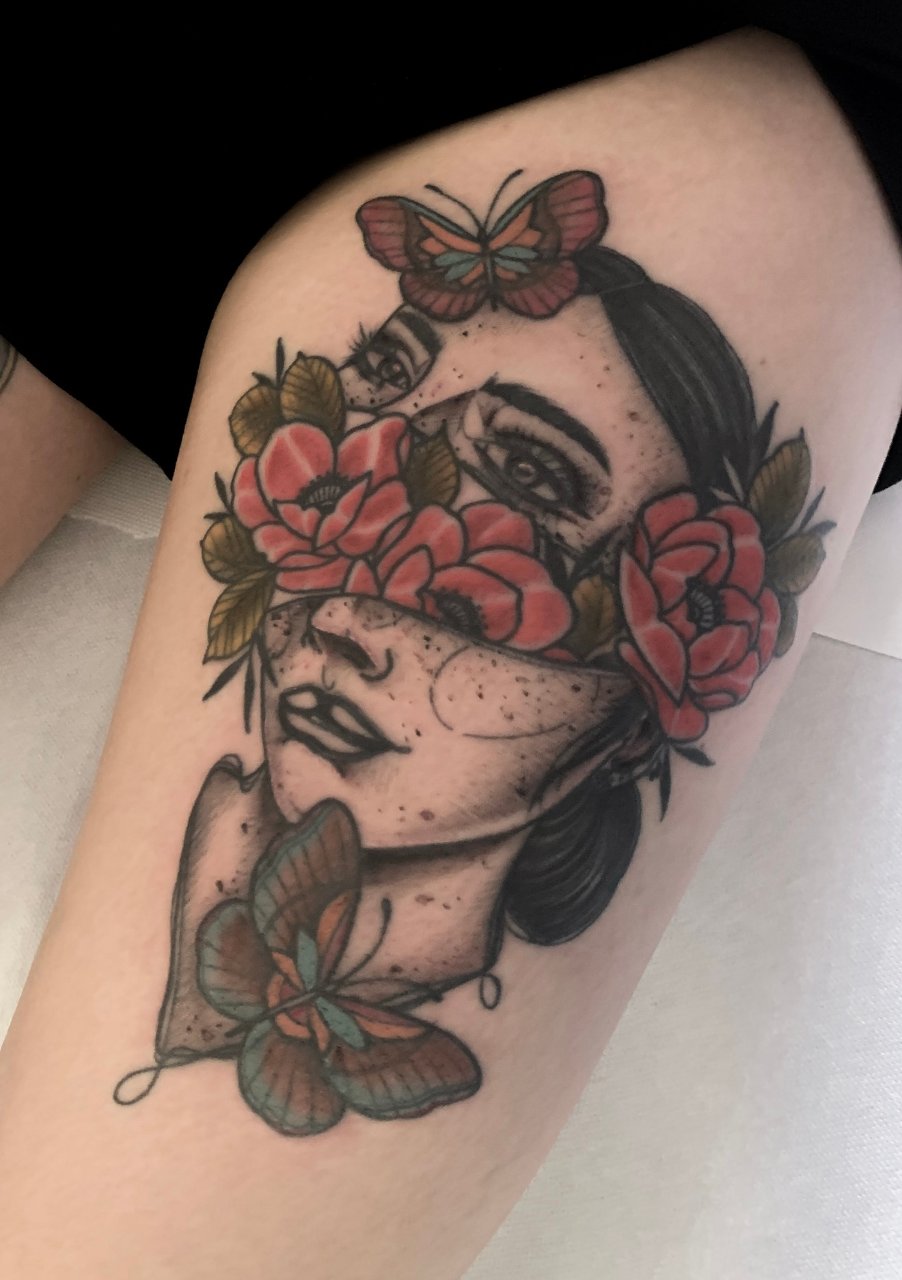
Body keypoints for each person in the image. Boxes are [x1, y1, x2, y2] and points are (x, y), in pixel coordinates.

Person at [0, 24, 901, 1280]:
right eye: (372, 397)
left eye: (524, 475)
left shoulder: (743, 185)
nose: (347, 589)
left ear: (652, 678)